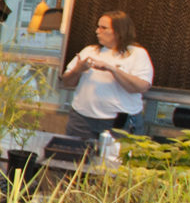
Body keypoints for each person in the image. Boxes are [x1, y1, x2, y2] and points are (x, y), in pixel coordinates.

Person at [60, 10, 153, 142]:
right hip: (82, 121)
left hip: (119, 124)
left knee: (115, 160)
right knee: (77, 158)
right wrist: (78, 69)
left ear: (119, 31)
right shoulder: (89, 50)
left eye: (103, 28)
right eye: (98, 27)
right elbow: (66, 82)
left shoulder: (137, 54)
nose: (97, 31)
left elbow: (141, 87)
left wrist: (112, 69)